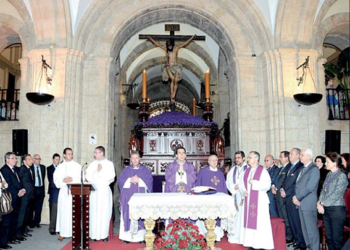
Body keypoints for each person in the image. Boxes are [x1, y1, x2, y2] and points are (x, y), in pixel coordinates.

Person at [148, 35, 197, 105]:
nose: (169, 47)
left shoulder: (176, 48)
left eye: (170, 46)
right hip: (169, 66)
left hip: (176, 66)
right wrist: (151, 39)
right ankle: (172, 96)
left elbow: (184, 44)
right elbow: (158, 45)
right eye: (168, 46)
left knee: (176, 81)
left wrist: (192, 38)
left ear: (172, 45)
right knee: (172, 79)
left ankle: (173, 95)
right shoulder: (166, 49)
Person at [239, 151, 274, 250]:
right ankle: (251, 243)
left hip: (260, 202)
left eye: (250, 157)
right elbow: (241, 183)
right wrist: (244, 191)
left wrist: (254, 182)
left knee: (260, 223)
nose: (248, 159)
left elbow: (267, 185)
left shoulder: (263, 171)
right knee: (250, 222)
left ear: (255, 159)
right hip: (248, 200)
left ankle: (261, 244)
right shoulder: (246, 171)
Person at [118, 151, 153, 244]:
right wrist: (130, 180)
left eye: (136, 158)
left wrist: (140, 180)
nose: (135, 160)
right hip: (128, 197)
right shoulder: (126, 170)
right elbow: (120, 181)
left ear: (140, 159)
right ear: (130, 159)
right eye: (133, 158)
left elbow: (150, 181)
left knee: (141, 214)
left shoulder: (145, 170)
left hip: (141, 198)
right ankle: (127, 237)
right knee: (128, 213)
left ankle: (141, 237)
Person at [317, 152, 348, 250]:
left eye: (327, 162)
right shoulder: (329, 174)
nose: (325, 164)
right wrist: (319, 202)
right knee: (329, 238)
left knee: (336, 239)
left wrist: (322, 203)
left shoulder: (342, 176)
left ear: (334, 163)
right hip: (327, 210)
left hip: (336, 210)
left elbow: (336, 194)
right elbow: (323, 190)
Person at [86, 146, 116, 242]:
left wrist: (99, 174)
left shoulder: (109, 164)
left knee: (104, 212)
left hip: (104, 190)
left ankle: (104, 235)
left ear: (101, 153)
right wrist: (97, 172)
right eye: (94, 153)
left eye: (96, 152)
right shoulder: (92, 164)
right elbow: (88, 177)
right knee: (94, 212)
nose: (94, 154)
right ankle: (94, 235)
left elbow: (111, 177)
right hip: (94, 191)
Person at [195, 154, 227, 243]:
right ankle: (203, 234)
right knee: (204, 216)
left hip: (218, 200)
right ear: (208, 162)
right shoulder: (203, 172)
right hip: (206, 199)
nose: (214, 162)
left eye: (216, 160)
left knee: (216, 216)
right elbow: (198, 185)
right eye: (212, 160)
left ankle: (216, 236)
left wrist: (225, 198)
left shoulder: (220, 173)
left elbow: (224, 186)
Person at [293, 149, 320, 250]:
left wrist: (297, 197)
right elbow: (298, 186)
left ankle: (315, 248)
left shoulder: (314, 169)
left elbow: (309, 187)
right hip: (301, 203)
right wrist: (296, 198)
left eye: (302, 155)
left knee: (311, 231)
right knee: (305, 231)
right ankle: (309, 247)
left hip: (308, 204)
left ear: (309, 156)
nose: (300, 157)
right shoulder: (303, 168)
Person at [280, 147, 306, 250]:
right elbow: (285, 180)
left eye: (291, 154)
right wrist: (282, 188)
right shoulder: (290, 167)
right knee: (291, 221)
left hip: (293, 197)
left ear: (297, 155)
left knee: (296, 221)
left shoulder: (300, 167)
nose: (289, 156)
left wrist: (287, 192)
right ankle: (296, 240)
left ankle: (301, 243)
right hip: (287, 197)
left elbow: (296, 183)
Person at [54, 148, 82, 240]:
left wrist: (71, 180)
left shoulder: (77, 166)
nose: (71, 155)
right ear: (64, 155)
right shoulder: (60, 167)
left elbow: (81, 178)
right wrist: (63, 180)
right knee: (63, 212)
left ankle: (74, 232)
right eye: (69, 154)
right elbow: (56, 180)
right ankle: (63, 233)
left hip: (74, 192)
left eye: (71, 154)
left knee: (73, 212)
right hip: (63, 193)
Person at [0, 152, 26, 249]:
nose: (16, 160)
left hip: (16, 198)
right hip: (9, 199)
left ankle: (12, 237)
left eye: (15, 158)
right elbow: (7, 186)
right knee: (6, 221)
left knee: (14, 219)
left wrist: (22, 189)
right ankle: (3, 242)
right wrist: (17, 192)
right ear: (7, 160)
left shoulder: (14, 169)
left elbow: (19, 182)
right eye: (13, 158)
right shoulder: (4, 170)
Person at [226, 151, 248, 244]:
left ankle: (245, 237)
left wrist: (242, 187)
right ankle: (235, 236)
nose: (237, 160)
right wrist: (233, 187)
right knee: (236, 215)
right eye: (236, 158)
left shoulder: (249, 169)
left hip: (245, 196)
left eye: (239, 157)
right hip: (235, 195)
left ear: (243, 158)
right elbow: (228, 181)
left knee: (244, 216)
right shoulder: (233, 169)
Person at [272, 151, 293, 243]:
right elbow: (277, 180)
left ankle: (289, 236)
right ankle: (284, 234)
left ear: (286, 158)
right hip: (278, 196)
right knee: (281, 216)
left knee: (286, 216)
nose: (280, 159)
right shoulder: (281, 168)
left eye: (281, 157)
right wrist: (274, 186)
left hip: (283, 196)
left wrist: (280, 189)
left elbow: (286, 182)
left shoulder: (289, 168)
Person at [16, 154, 34, 239]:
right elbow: (19, 181)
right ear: (24, 161)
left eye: (31, 159)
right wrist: (23, 189)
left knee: (27, 214)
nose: (32, 161)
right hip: (24, 196)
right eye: (29, 159)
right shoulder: (22, 169)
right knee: (22, 215)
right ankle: (18, 233)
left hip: (29, 195)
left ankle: (24, 230)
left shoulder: (29, 168)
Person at [30, 154, 45, 228]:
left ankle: (37, 222)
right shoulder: (30, 168)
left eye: (39, 159)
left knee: (39, 207)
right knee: (32, 207)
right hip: (34, 189)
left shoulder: (42, 167)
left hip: (41, 189)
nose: (38, 160)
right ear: (33, 160)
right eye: (37, 159)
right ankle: (31, 222)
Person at [47, 153, 60, 235]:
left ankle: (58, 227)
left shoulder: (61, 167)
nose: (57, 161)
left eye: (59, 159)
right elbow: (51, 181)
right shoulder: (49, 168)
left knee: (60, 210)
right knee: (53, 209)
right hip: (54, 191)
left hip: (61, 191)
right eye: (56, 159)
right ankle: (52, 228)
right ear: (53, 159)